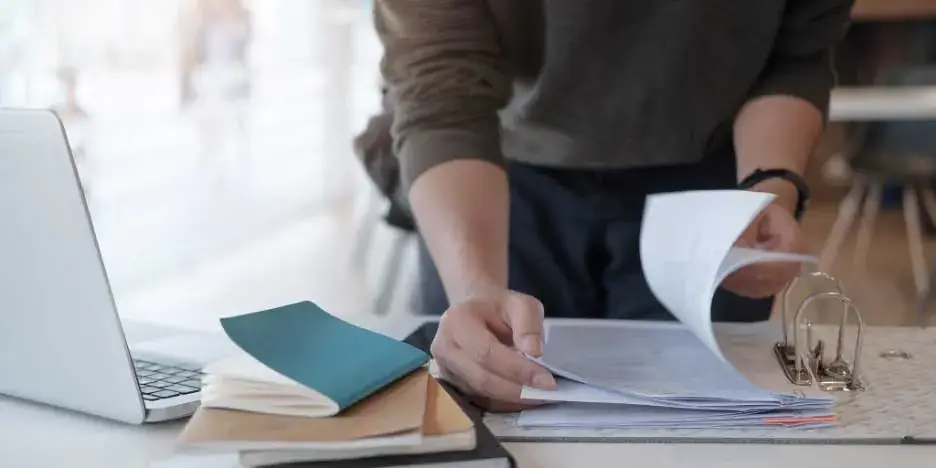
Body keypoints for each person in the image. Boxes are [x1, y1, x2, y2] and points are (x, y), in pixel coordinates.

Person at [373, 0, 854, 410]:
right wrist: (474, 286)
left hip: (711, 183)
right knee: (487, 395)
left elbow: (795, 53)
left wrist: (769, 185)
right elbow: (440, 86)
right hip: (491, 173)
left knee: (698, 428)